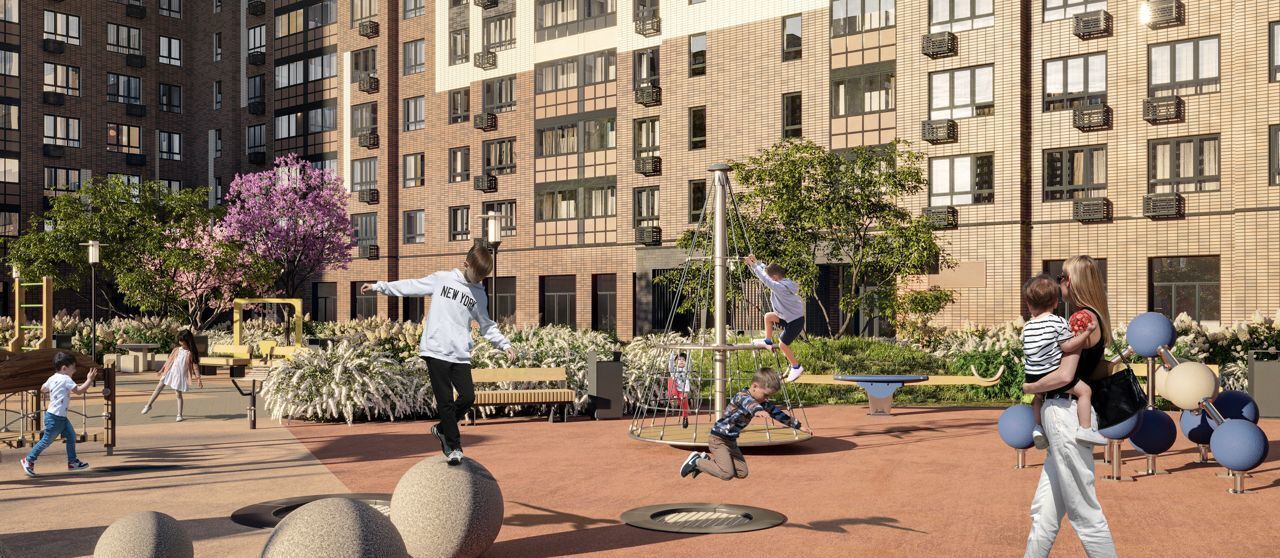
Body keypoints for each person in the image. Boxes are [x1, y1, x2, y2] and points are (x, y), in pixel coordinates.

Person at [363, 242, 515, 465]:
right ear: (466, 264)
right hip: (435, 350)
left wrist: (505, 344)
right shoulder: (442, 279)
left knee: (468, 397)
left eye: (484, 277)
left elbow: (486, 325)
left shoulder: (480, 295)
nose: (479, 280)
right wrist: (379, 286)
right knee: (445, 401)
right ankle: (454, 447)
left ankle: (443, 428)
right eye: (477, 275)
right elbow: (412, 286)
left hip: (460, 353)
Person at [1022, 255, 1117, 558]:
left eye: (1063, 276)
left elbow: (1064, 375)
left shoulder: (1081, 319)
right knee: (1044, 512)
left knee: (1084, 512)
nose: (1059, 282)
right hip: (1064, 415)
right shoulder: (1088, 317)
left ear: (1075, 282)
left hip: (1066, 414)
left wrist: (1030, 387)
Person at [1021, 274, 1107, 447]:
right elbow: (1068, 347)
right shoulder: (1059, 322)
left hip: (1032, 374)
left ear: (1029, 305)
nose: (1062, 281)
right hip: (1053, 376)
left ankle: (1038, 427)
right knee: (1084, 391)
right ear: (1054, 302)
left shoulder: (1028, 326)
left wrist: (1030, 386)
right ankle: (1085, 428)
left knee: (1037, 398)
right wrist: (1086, 333)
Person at [679, 368, 811, 480]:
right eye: (765, 395)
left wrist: (799, 426)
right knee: (727, 474)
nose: (767, 399)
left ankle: (705, 461)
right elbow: (750, 404)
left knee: (742, 473)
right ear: (754, 386)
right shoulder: (741, 396)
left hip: (731, 441)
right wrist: (758, 410)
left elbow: (778, 414)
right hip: (718, 438)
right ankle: (697, 461)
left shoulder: (762, 403)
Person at [20, 352, 99, 477]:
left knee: (71, 436)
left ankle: (72, 462)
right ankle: (28, 459)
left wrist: (54, 390)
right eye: (73, 368)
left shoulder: (53, 378)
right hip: (56, 418)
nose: (75, 370)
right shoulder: (66, 379)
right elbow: (79, 391)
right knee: (46, 440)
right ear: (64, 368)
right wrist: (89, 379)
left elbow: (43, 389)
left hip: (57, 416)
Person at [743, 254, 805, 382]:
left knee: (783, 345)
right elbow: (766, 273)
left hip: (795, 321)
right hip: (787, 316)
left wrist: (753, 265)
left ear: (775, 278)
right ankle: (768, 340)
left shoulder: (780, 287)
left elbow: (765, 279)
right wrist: (757, 262)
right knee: (769, 316)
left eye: (772, 279)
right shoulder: (783, 281)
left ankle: (796, 366)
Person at [142, 330, 203, 421]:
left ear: (188, 341)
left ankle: (179, 414)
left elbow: (195, 367)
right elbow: (169, 361)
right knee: (159, 386)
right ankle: (148, 405)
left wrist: (198, 379)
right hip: (170, 372)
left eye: (182, 341)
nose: (180, 342)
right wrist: (162, 370)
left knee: (178, 394)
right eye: (179, 340)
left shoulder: (190, 353)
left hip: (179, 376)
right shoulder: (176, 349)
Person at [668, 353, 691, 429]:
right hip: (675, 390)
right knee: (671, 379)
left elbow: (689, 362)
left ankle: (685, 418)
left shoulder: (686, 370)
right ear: (676, 362)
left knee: (684, 404)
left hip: (683, 392)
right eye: (679, 359)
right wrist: (672, 354)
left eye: (683, 360)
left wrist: (688, 351)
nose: (681, 361)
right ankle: (673, 397)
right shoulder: (674, 370)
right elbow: (670, 365)